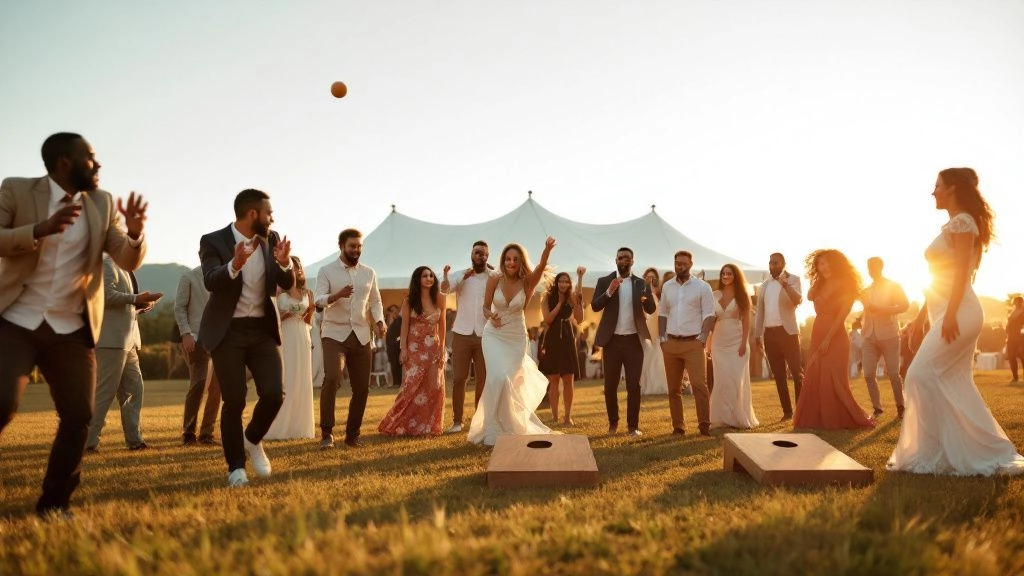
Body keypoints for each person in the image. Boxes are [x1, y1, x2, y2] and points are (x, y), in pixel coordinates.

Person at [0, 132, 147, 517]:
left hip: (70, 329)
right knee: (2, 403)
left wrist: (134, 234)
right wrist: (39, 229)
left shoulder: (101, 202)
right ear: (65, 163)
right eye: (90, 158)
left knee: (80, 415)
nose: (98, 165)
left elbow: (124, 257)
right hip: (16, 320)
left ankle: (54, 505)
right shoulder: (16, 190)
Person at [888, 167, 1024, 475]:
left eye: (937, 185)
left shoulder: (963, 222)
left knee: (920, 375)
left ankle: (945, 451)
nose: (933, 191)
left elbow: (962, 273)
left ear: (952, 188)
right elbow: (938, 279)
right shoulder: (953, 224)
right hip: (945, 312)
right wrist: (920, 318)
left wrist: (949, 315)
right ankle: (948, 451)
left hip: (960, 313)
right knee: (948, 380)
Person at [198, 188, 294, 487]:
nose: (272, 218)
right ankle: (236, 467)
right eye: (268, 213)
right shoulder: (213, 241)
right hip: (228, 332)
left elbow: (287, 282)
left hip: (262, 330)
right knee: (234, 400)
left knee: (274, 394)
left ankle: (252, 439)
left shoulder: (272, 239)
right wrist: (235, 264)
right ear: (253, 214)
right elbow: (210, 280)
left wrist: (285, 263)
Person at [467, 238, 556, 445]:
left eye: (515, 259)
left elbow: (541, 266)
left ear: (521, 261)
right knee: (497, 377)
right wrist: (491, 316)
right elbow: (485, 307)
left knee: (510, 381)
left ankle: (509, 425)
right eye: (508, 258)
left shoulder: (527, 282)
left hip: (516, 337)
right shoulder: (494, 278)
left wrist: (547, 250)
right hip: (494, 335)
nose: (511, 262)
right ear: (503, 260)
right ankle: (490, 427)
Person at [314, 228, 386, 449]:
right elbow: (318, 300)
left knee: (362, 388)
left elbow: (375, 301)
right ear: (341, 246)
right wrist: (336, 296)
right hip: (333, 333)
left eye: (359, 246)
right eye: (352, 246)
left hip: (361, 335)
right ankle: (327, 434)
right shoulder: (326, 270)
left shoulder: (369, 272)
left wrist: (380, 321)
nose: (356, 250)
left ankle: (352, 435)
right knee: (332, 377)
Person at [792, 250, 874, 429]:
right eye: (820, 264)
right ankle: (818, 418)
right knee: (815, 373)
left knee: (834, 378)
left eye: (827, 263)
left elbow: (841, 316)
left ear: (835, 264)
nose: (824, 267)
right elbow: (810, 296)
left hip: (835, 335)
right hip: (818, 330)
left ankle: (839, 417)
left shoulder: (846, 285)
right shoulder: (819, 284)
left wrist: (828, 339)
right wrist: (817, 280)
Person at [86, 256, 162, 451]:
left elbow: (124, 304)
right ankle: (88, 442)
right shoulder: (107, 264)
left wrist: (140, 307)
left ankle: (135, 441)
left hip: (129, 341)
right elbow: (105, 295)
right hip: (111, 340)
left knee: (135, 390)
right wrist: (136, 299)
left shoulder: (125, 268)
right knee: (105, 392)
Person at [592, 247, 657, 436]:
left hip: (633, 341)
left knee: (633, 386)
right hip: (611, 341)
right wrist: (609, 292)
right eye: (620, 258)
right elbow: (595, 306)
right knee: (610, 386)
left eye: (627, 258)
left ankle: (633, 426)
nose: (623, 261)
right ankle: (613, 423)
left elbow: (651, 309)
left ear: (632, 261)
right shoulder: (604, 281)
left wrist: (646, 297)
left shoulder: (641, 283)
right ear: (616, 261)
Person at [379, 266, 447, 436]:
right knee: (410, 386)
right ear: (417, 279)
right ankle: (401, 424)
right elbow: (404, 326)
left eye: (431, 275)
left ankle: (429, 426)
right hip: (414, 348)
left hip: (433, 347)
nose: (429, 278)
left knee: (435, 386)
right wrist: (403, 349)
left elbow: (442, 325)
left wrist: (442, 348)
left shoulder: (440, 298)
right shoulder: (409, 300)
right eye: (425, 276)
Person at [441, 241, 496, 433]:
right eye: (477, 252)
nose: (481, 256)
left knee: (483, 379)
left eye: (484, 254)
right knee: (459, 378)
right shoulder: (461, 275)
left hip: (485, 334)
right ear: (472, 254)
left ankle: (479, 421)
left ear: (488, 256)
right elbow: (444, 289)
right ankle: (457, 422)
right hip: (461, 333)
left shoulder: (494, 276)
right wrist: (447, 276)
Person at [659, 251, 716, 436]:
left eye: (683, 263)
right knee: (673, 389)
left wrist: (703, 337)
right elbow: (663, 314)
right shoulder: (667, 286)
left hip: (693, 343)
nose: (680, 266)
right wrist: (662, 339)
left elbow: (709, 315)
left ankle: (704, 426)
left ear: (691, 264)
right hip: (671, 343)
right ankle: (678, 427)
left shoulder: (702, 287)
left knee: (699, 385)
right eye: (677, 263)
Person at [265, 256, 315, 440]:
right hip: (285, 336)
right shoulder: (279, 292)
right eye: (293, 267)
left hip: (302, 336)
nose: (297, 269)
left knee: (302, 378)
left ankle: (300, 427)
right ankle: (279, 425)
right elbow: (271, 319)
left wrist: (309, 312)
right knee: (287, 378)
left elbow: (309, 321)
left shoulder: (307, 293)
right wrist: (285, 315)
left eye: (299, 266)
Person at [175, 260, 222, 445]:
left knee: (217, 389)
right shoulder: (189, 277)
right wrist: (186, 333)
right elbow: (179, 308)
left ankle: (206, 434)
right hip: (196, 338)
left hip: (220, 340)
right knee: (199, 385)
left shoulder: (224, 277)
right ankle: (188, 434)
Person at [709, 263, 759, 429]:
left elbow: (746, 321)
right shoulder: (714, 295)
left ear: (735, 276)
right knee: (722, 380)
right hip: (718, 342)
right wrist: (708, 343)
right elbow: (710, 321)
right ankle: (721, 418)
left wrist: (744, 343)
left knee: (736, 380)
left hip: (737, 341)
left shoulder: (742, 295)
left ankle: (737, 417)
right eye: (723, 273)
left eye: (729, 273)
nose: (725, 276)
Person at [754, 252, 803, 421]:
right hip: (770, 335)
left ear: (783, 263)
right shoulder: (765, 285)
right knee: (779, 375)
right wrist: (757, 334)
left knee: (796, 373)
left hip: (788, 332)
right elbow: (760, 311)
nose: (772, 265)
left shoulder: (793, 279)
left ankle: (801, 412)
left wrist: (786, 285)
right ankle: (787, 412)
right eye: (770, 262)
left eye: (775, 262)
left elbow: (797, 300)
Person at [860, 256, 909, 418]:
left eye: (873, 267)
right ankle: (877, 409)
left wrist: (881, 309)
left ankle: (901, 406)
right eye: (868, 268)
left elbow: (905, 305)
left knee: (893, 373)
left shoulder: (893, 286)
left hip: (889, 335)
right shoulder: (866, 290)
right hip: (869, 335)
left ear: (881, 267)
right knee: (868, 374)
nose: (870, 270)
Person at [538, 267, 586, 425]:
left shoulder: (571, 297)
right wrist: (559, 304)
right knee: (553, 379)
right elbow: (548, 319)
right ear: (556, 282)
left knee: (568, 378)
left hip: (567, 338)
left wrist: (580, 279)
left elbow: (579, 319)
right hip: (552, 338)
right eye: (561, 281)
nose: (564, 284)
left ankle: (567, 417)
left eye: (566, 282)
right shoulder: (547, 297)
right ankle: (555, 417)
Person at [638, 267, 669, 396]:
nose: (650, 279)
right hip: (646, 327)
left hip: (657, 328)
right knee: (647, 358)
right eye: (648, 277)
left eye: (653, 277)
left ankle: (658, 385)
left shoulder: (659, 293)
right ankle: (647, 385)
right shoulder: (641, 293)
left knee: (657, 357)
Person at [1006, 296, 1024, 383]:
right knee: (1011, 357)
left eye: (1017, 302)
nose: (1015, 303)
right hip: (1011, 337)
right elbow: (1008, 323)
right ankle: (1015, 377)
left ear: (1020, 302)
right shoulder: (1012, 312)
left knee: (1022, 355)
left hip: (1020, 337)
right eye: (1015, 302)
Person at [384, 304, 402, 387]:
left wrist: (397, 341)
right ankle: (395, 382)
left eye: (395, 310)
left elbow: (402, 333)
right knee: (393, 365)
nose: (394, 312)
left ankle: (398, 383)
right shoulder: (391, 322)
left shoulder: (400, 320)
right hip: (390, 347)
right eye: (391, 311)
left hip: (396, 347)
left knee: (397, 365)